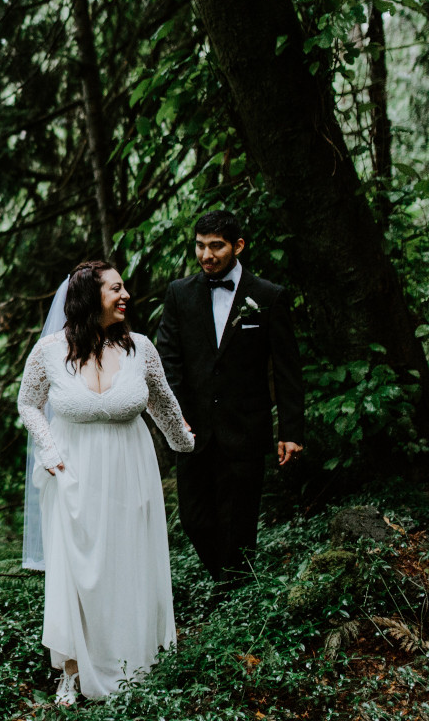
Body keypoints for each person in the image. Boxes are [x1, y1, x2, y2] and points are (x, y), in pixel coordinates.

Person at [17, 261, 195, 706]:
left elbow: (164, 405)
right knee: (78, 573)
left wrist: (187, 443)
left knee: (128, 564)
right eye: (116, 289)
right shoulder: (48, 352)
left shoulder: (141, 349)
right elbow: (28, 404)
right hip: (73, 476)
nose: (125, 296)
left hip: (130, 473)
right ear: (88, 297)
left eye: (124, 288)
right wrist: (49, 448)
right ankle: (73, 671)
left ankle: (136, 663)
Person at [154, 209, 304, 589]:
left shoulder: (268, 296)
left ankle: (232, 597)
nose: (206, 255)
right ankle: (231, 582)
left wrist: (290, 430)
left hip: (245, 429)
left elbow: (287, 370)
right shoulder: (179, 294)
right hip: (192, 432)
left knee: (238, 522)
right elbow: (167, 359)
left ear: (237, 246)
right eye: (201, 246)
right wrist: (175, 416)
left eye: (216, 246)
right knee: (194, 519)